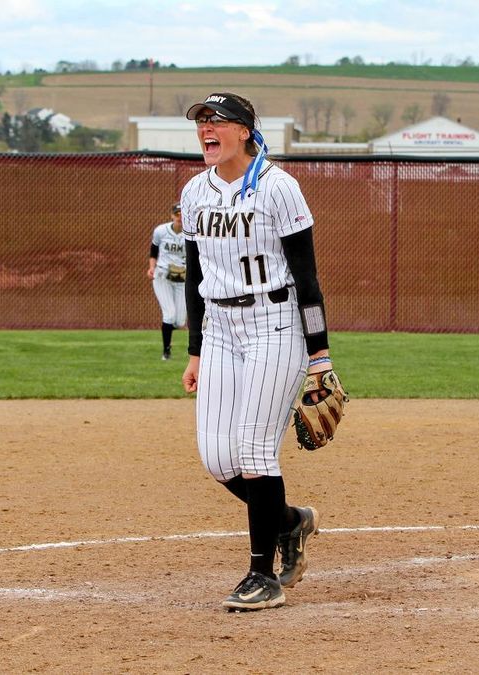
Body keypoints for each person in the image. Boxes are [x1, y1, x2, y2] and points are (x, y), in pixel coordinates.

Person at [179, 92, 333, 611]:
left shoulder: (279, 188)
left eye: (217, 120)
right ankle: (290, 522)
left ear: (245, 130)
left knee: (252, 449)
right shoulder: (195, 192)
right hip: (220, 326)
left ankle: (261, 575)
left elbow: (308, 277)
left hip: (275, 321)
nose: (206, 128)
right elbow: (196, 277)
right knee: (217, 458)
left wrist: (320, 355)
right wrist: (196, 350)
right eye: (202, 121)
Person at [147, 202, 187, 360]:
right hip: (163, 275)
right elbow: (153, 251)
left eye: (182, 215)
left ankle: (169, 329)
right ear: (172, 216)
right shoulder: (161, 231)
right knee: (169, 315)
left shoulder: (192, 233)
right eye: (177, 214)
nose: (180, 218)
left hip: (182, 277)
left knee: (179, 321)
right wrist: (151, 268)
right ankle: (166, 351)